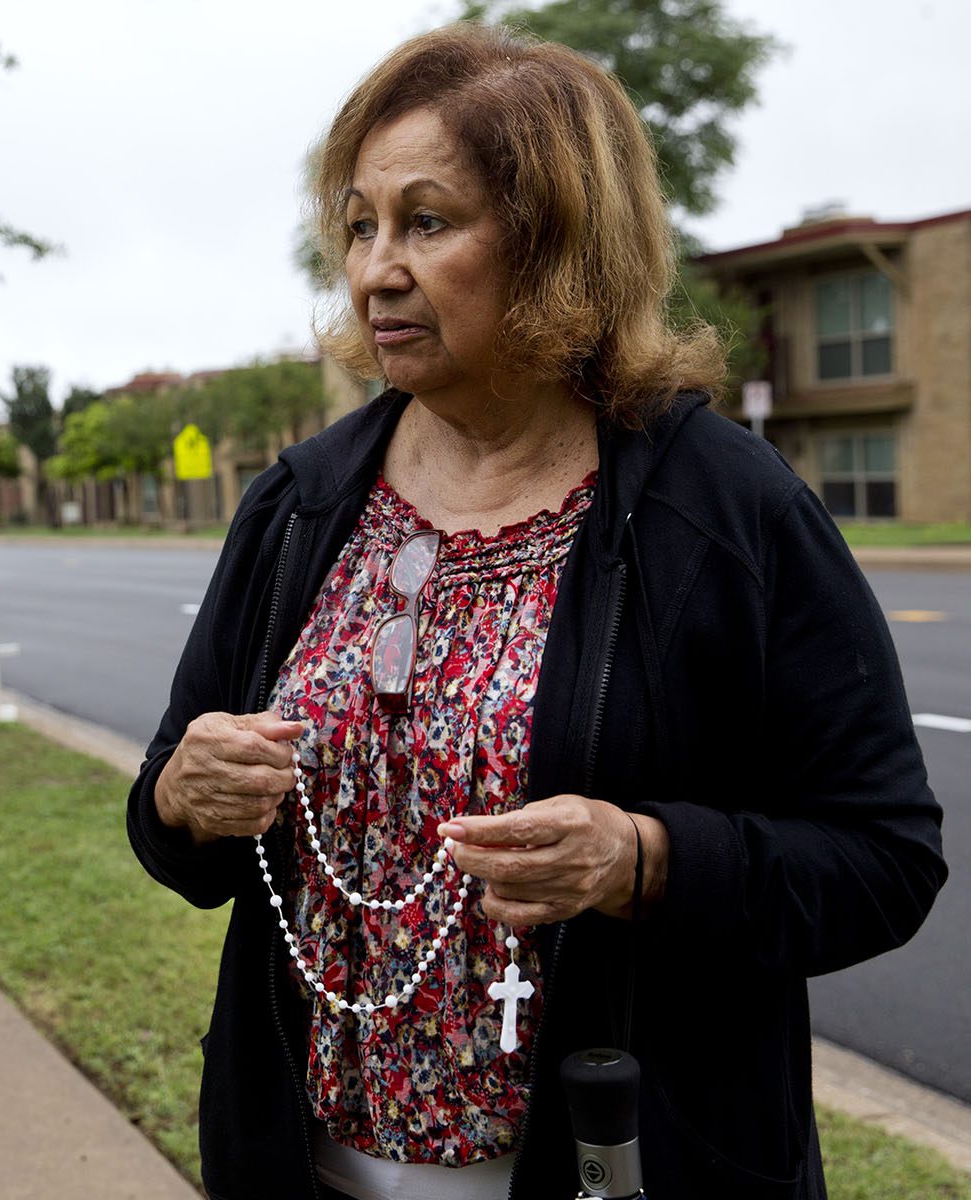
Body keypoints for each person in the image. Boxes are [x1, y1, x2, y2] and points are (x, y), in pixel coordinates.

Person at [126, 24, 944, 1200]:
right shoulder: (302, 506)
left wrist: (644, 858)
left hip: (622, 1161)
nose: (375, 270)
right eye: (360, 225)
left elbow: (884, 857)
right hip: (301, 1164)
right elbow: (178, 832)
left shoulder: (726, 513)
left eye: (428, 221)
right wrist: (180, 796)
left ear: (555, 240)